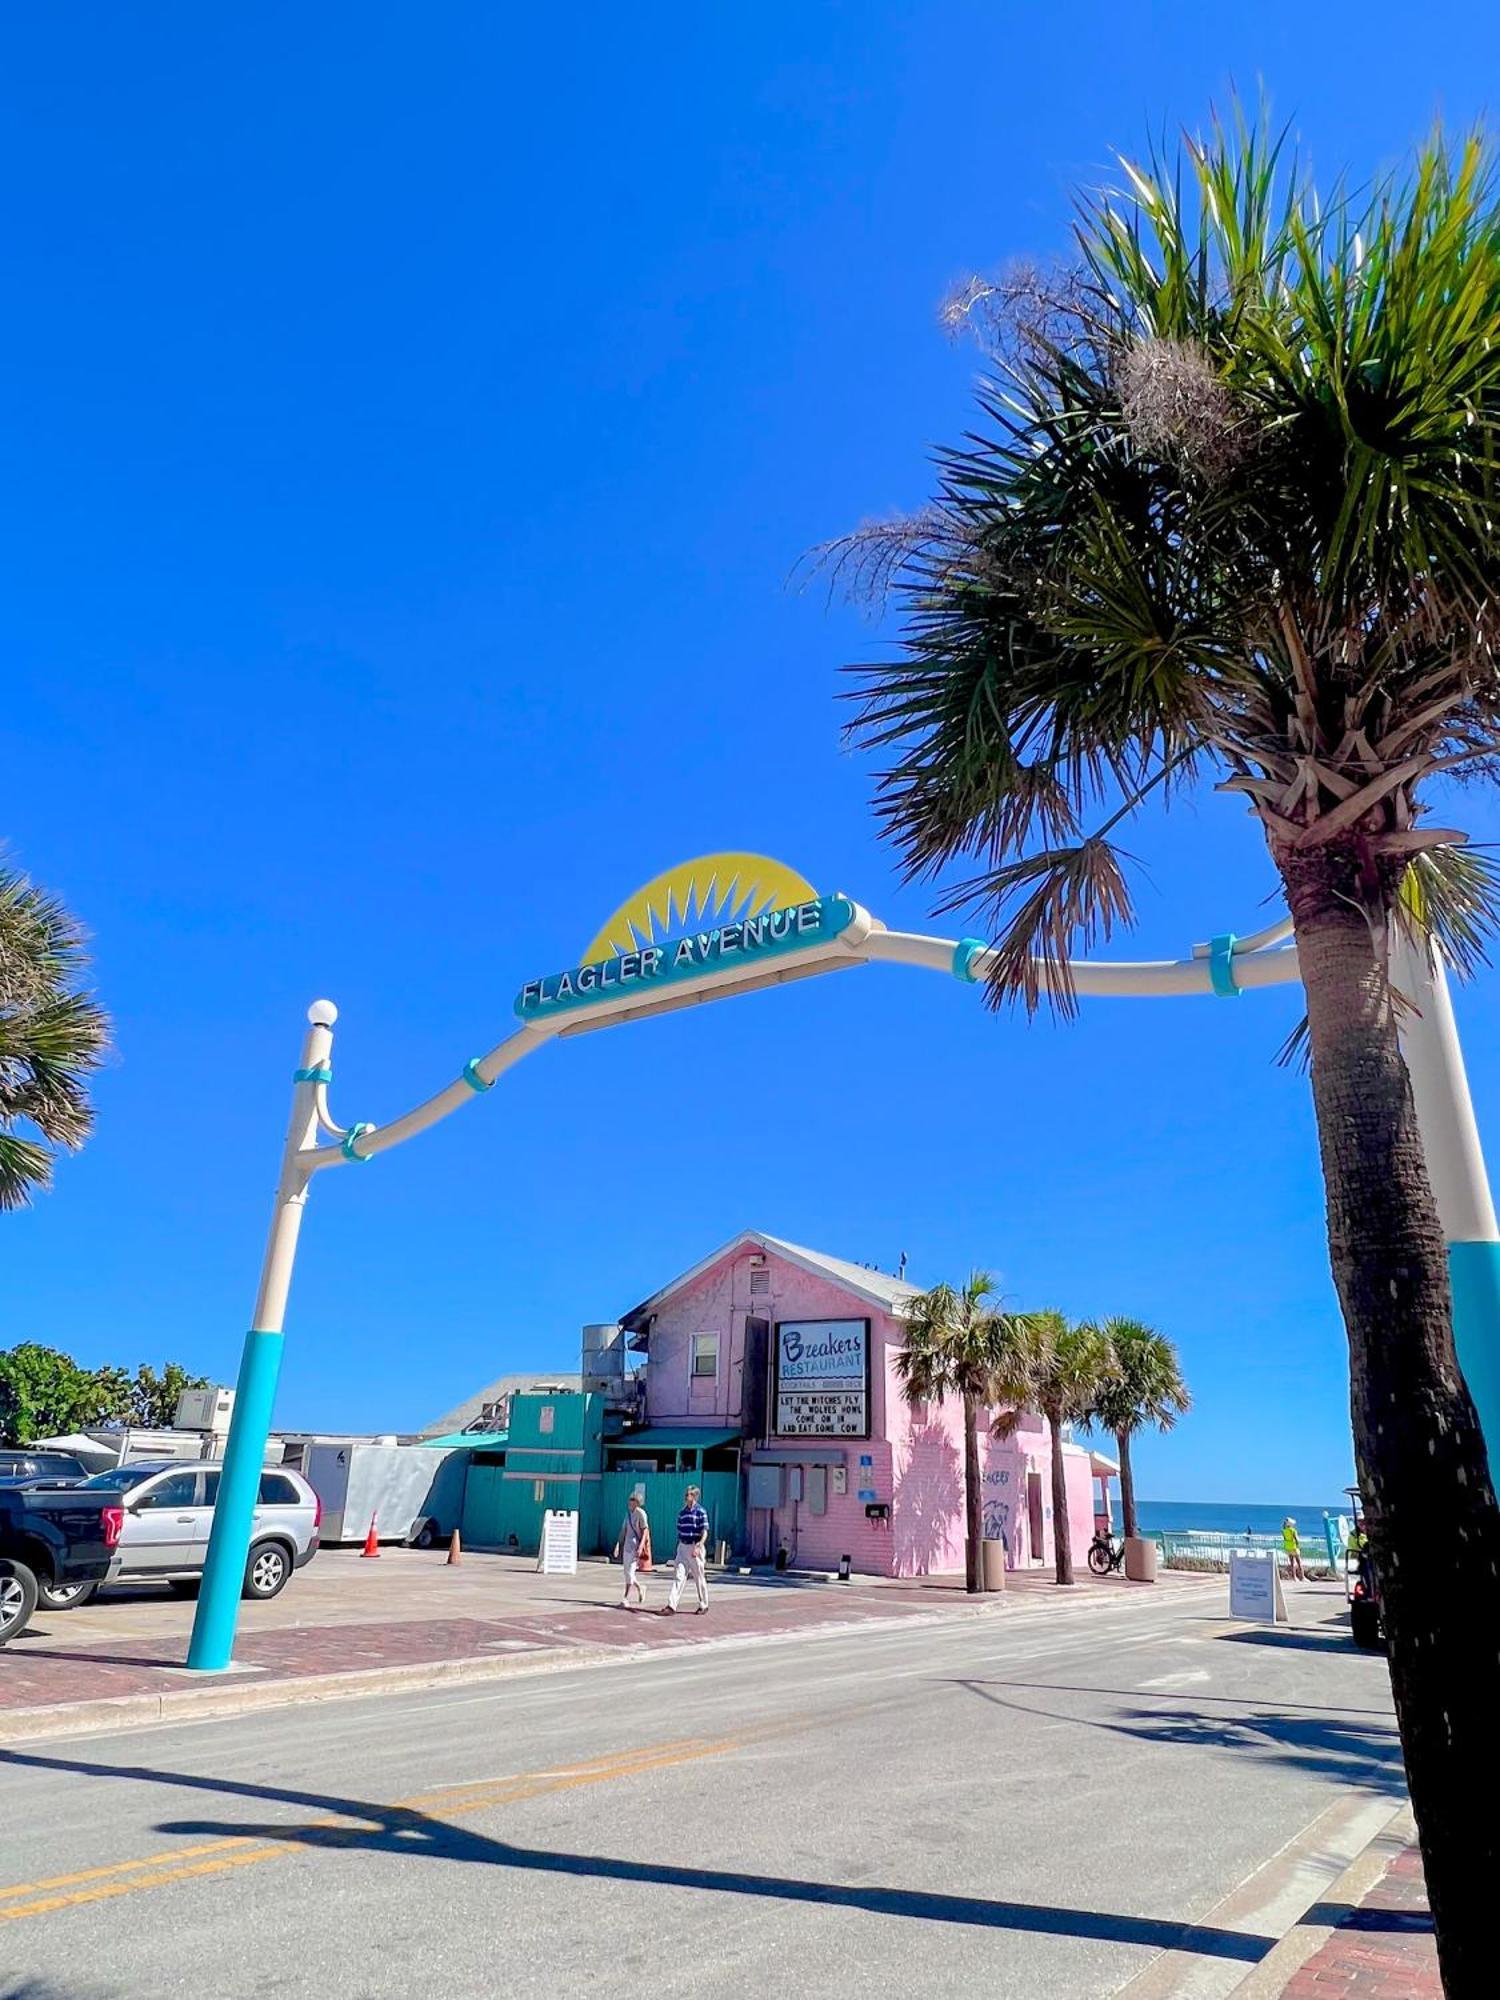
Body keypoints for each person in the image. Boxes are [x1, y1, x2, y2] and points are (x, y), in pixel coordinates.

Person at [663, 1483, 710, 1615]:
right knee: (679, 1575)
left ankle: (704, 1604)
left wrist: (699, 1545)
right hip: (683, 1546)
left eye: (689, 1494)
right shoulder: (682, 1513)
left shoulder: (701, 1512)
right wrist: (678, 1548)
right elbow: (679, 1530)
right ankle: (671, 1606)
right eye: (686, 1494)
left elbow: (705, 1531)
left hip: (695, 1546)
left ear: (695, 1496)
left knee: (699, 1577)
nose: (686, 1496)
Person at [612, 1491, 652, 1610]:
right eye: (630, 1499)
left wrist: (640, 1547)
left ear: (637, 1502)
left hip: (635, 1547)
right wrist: (618, 1544)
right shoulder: (628, 1514)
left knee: (630, 1572)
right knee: (626, 1573)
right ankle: (640, 1587)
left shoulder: (641, 1514)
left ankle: (625, 1598)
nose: (630, 1502)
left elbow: (645, 1530)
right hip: (627, 1547)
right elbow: (623, 1530)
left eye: (632, 1500)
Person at [1281, 1515, 1305, 1582]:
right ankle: (1302, 1577)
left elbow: (1285, 1539)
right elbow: (1297, 1540)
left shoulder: (1284, 1531)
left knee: (1292, 1563)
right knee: (1299, 1562)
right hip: (1294, 1547)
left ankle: (1294, 1577)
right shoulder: (1293, 1530)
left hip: (1288, 1548)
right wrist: (1299, 1547)